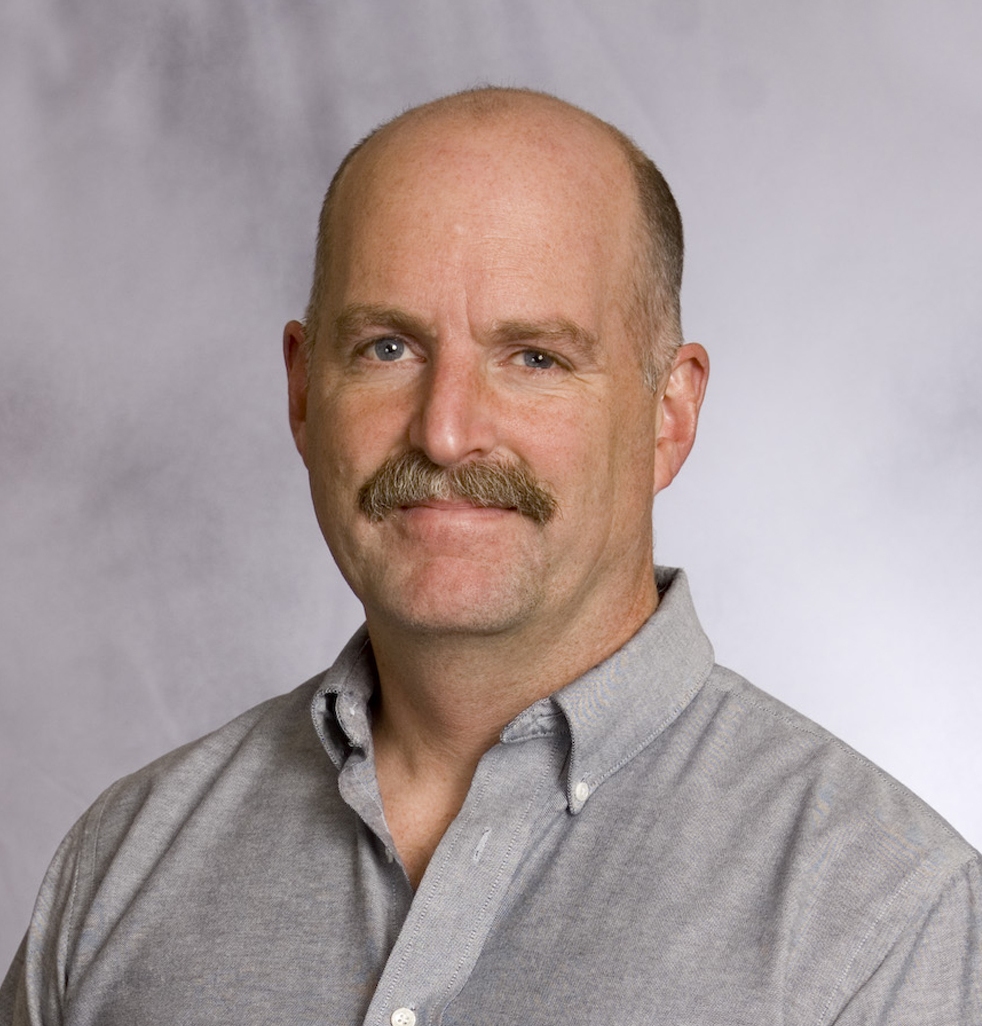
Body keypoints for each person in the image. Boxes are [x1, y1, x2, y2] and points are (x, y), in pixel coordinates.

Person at [2, 87, 979, 1026]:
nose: (445, 431)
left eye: (535, 358)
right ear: (302, 393)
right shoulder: (120, 874)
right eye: (387, 348)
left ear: (669, 415)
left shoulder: (888, 926)